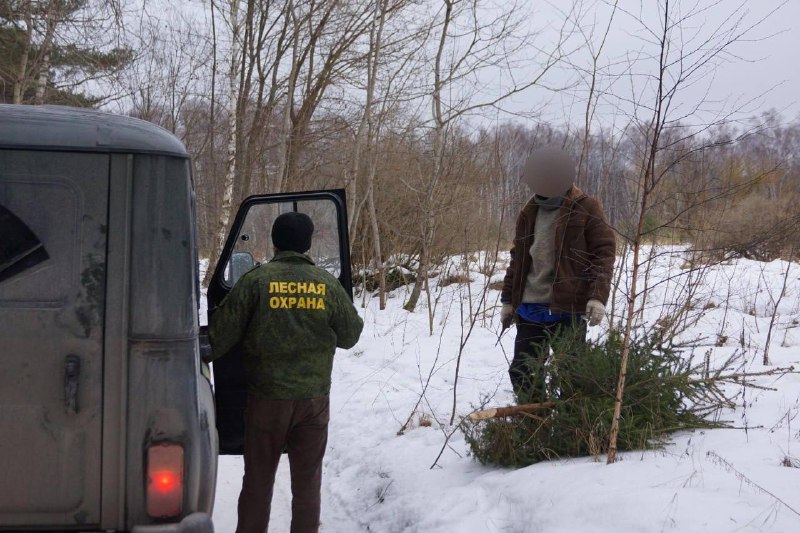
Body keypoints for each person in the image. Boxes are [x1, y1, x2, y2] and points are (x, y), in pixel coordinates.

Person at [208, 211, 364, 533]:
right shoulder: (327, 285)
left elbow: (220, 337)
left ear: (275, 242)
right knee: (307, 486)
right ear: (307, 245)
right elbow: (350, 336)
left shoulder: (255, 281)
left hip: (266, 401)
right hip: (313, 403)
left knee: (258, 484)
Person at [500, 147, 615, 401]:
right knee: (523, 371)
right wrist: (508, 300)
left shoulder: (586, 207)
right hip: (530, 308)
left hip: (567, 309)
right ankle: (534, 425)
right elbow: (518, 258)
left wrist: (597, 296)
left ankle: (569, 429)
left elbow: (603, 253)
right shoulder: (528, 212)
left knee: (572, 374)